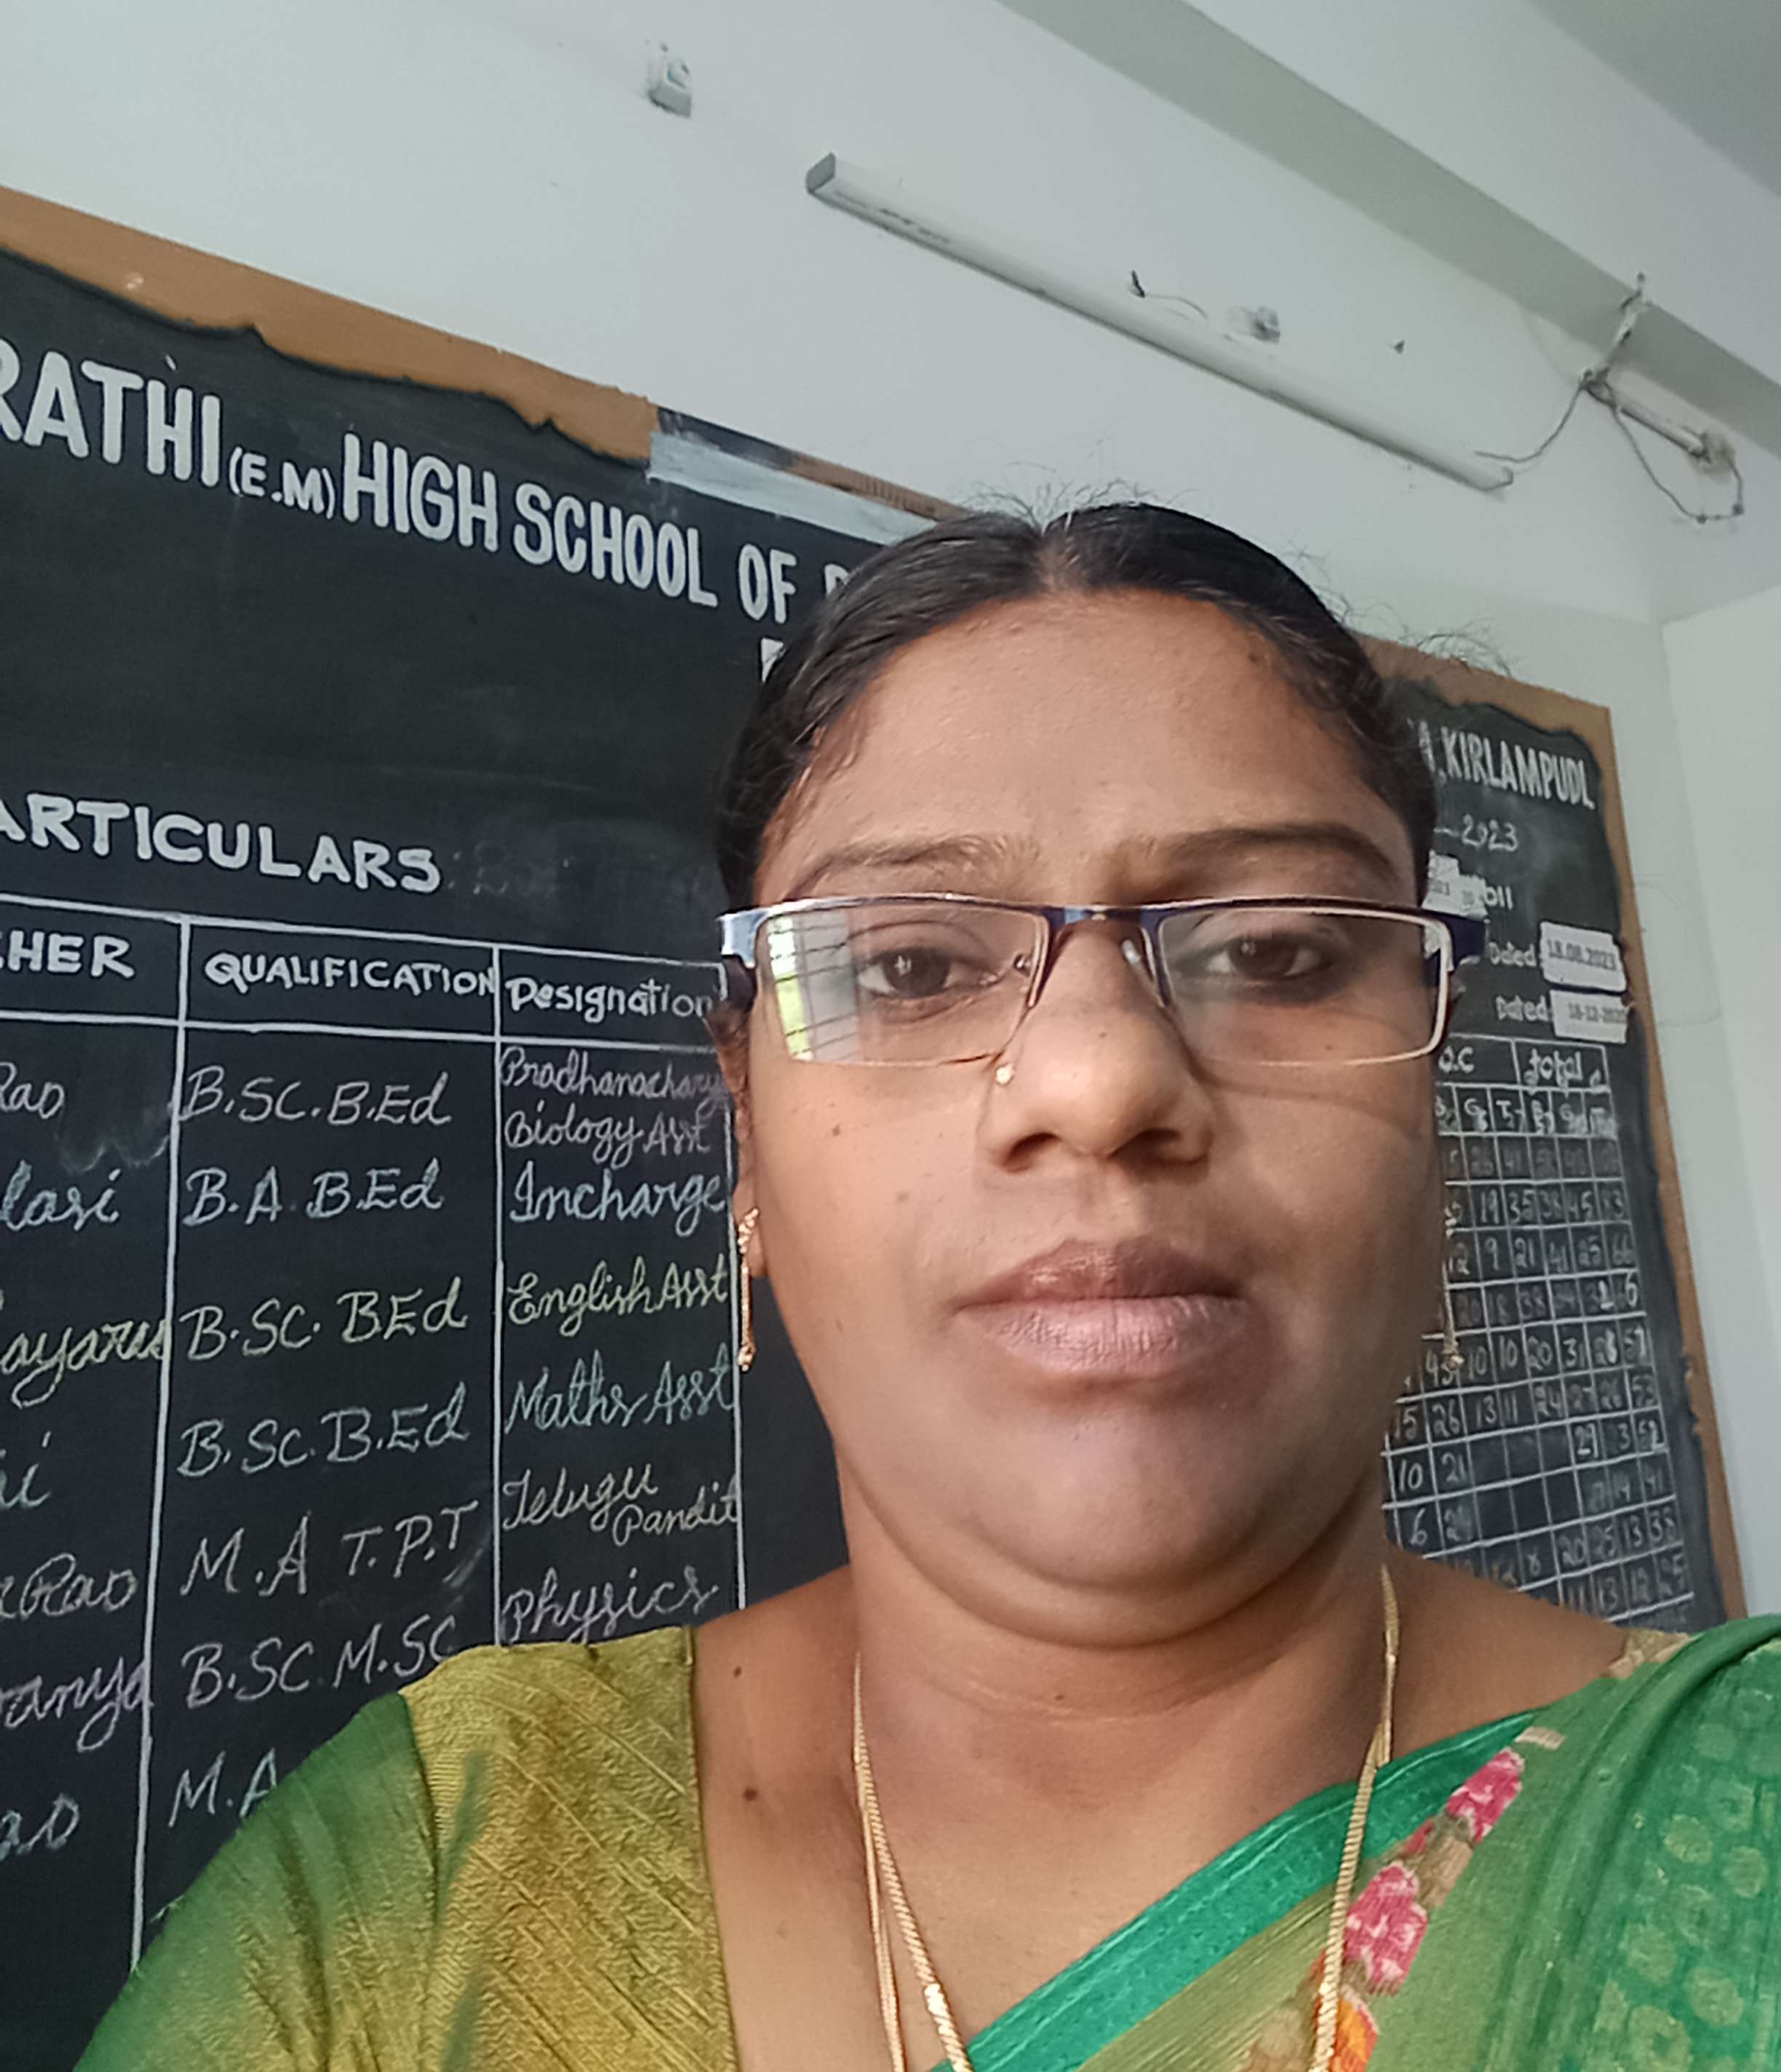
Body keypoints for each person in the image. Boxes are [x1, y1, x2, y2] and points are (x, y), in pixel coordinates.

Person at [81, 501, 1781, 2072]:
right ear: (747, 1142)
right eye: (906, 963)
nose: (1099, 1082)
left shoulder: (1738, 1826)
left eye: (1275, 953)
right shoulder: (423, 1895)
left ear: (1434, 1115)